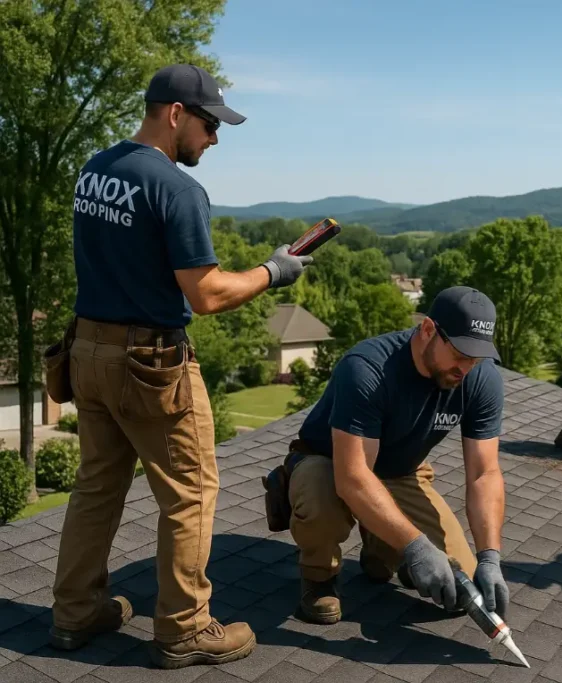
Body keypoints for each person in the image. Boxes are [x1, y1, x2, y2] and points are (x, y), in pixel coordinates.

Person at [48, 64, 312, 669]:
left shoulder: (96, 169)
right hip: (151, 365)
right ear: (174, 114)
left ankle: (75, 612)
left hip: (87, 351)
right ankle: (186, 628)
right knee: (191, 493)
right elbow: (207, 295)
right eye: (209, 125)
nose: (214, 139)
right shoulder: (177, 188)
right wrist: (276, 270)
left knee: (96, 486)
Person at [272, 286, 510, 625]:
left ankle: (381, 547)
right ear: (428, 330)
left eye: (476, 358)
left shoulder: (479, 379)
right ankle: (319, 576)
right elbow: (353, 477)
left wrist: (489, 558)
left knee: (461, 587)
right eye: (459, 354)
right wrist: (417, 547)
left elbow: (484, 474)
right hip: (331, 464)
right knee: (320, 490)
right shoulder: (368, 368)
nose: (466, 368)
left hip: (400, 472)